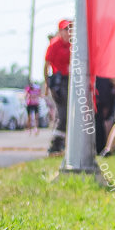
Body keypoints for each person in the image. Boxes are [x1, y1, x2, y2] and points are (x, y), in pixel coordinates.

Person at [44, 20, 72, 155]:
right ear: (60, 31)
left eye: (70, 29)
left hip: (69, 81)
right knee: (63, 113)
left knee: (66, 114)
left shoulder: (72, 45)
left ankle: (61, 143)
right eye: (66, 29)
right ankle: (55, 144)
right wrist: (47, 85)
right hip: (58, 82)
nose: (68, 32)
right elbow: (46, 65)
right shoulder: (55, 44)